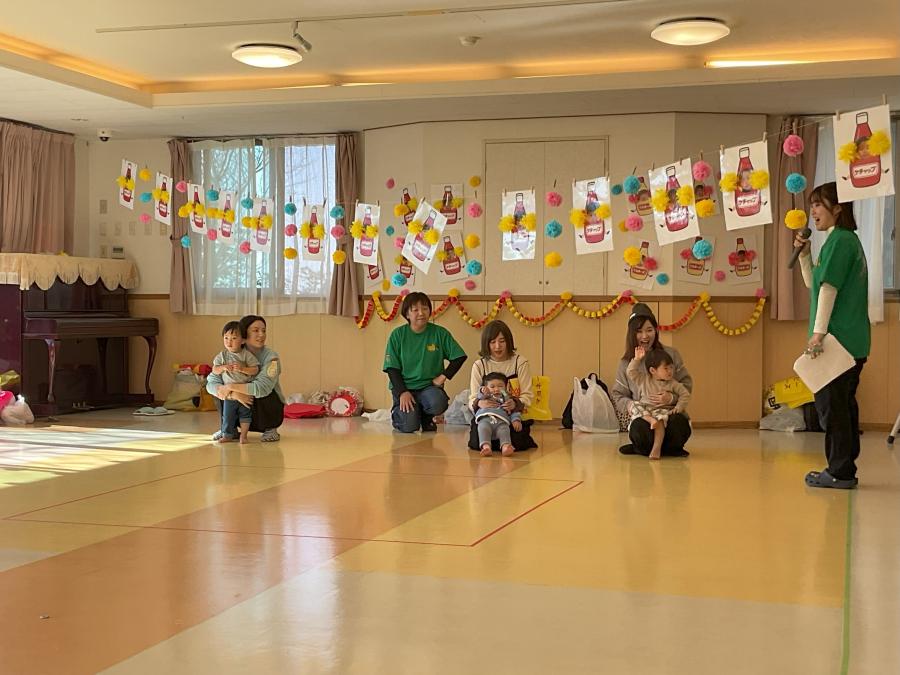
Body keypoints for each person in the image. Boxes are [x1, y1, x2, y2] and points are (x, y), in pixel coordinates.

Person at [794, 181, 870, 489]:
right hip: (853, 341)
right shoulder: (842, 241)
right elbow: (814, 283)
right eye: (811, 205)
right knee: (843, 406)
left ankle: (839, 471)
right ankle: (844, 466)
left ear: (837, 208)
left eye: (817, 204)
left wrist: (818, 334)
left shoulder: (840, 241)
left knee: (832, 407)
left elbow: (828, 289)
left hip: (838, 341)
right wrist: (804, 255)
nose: (812, 211)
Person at [610, 303, 693, 457]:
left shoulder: (671, 355)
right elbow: (617, 395)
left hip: (668, 412)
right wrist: (632, 406)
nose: (645, 336)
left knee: (678, 423)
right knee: (639, 427)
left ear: (656, 330)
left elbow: (686, 385)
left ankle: (671, 449)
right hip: (646, 414)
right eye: (639, 331)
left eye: (649, 330)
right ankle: (642, 448)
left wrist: (672, 398)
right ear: (632, 334)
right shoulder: (627, 363)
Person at [383, 292, 467, 433]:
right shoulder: (397, 335)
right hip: (405, 387)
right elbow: (392, 368)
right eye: (415, 310)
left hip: (429, 388)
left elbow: (459, 357)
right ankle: (399, 415)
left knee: (438, 402)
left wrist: (443, 377)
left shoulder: (439, 333)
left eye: (425, 308)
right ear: (407, 314)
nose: (421, 313)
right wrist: (403, 392)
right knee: (409, 426)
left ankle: (426, 417)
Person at [206, 315, 284, 442]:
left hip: (260, 405)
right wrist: (232, 394)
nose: (261, 334)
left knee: (264, 391)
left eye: (264, 330)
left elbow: (262, 387)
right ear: (243, 334)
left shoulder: (271, 357)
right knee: (219, 390)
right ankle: (228, 429)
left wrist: (230, 387)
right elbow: (210, 383)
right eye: (256, 330)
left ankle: (270, 428)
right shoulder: (229, 353)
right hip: (237, 402)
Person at [467, 320, 538, 452]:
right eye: (492, 342)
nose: (497, 346)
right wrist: (479, 403)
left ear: (509, 342)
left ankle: (502, 445)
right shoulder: (479, 365)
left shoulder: (520, 362)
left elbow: (527, 395)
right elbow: (472, 398)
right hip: (487, 416)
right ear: (486, 344)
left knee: (518, 442)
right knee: (476, 442)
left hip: (511, 416)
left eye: (502, 341)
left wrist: (515, 404)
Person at [626, 347, 692, 460]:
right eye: (666, 368)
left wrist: (678, 407)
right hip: (646, 411)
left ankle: (657, 448)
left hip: (663, 411)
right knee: (634, 405)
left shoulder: (673, 384)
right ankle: (649, 420)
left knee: (662, 419)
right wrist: (637, 359)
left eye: (671, 367)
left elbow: (685, 394)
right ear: (653, 371)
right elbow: (630, 372)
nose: (670, 371)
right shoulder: (644, 380)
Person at [211, 321, 259, 444]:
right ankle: (227, 435)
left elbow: (255, 369)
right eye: (226, 338)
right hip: (230, 394)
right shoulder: (222, 356)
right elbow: (214, 370)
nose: (229, 342)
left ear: (243, 340)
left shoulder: (246, 355)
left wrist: (242, 369)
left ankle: (244, 435)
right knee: (227, 415)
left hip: (244, 390)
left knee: (245, 415)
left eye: (233, 338)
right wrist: (223, 367)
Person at [474, 372, 523, 457]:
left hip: (501, 421)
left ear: (505, 387)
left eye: (500, 386)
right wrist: (482, 391)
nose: (496, 389)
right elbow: (480, 396)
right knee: (483, 428)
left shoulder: (507, 398)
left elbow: (514, 411)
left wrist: (516, 420)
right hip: (486, 419)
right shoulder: (487, 396)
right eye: (492, 387)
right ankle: (486, 447)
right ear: (486, 388)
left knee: (504, 430)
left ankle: (506, 446)